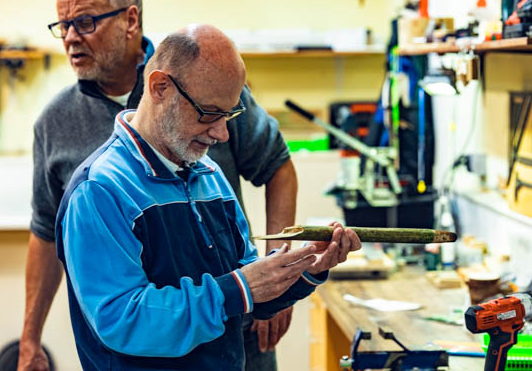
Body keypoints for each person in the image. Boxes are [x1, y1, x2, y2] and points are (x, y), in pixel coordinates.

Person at [19, 0, 300, 370]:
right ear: (159, 91)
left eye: (84, 22)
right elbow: (47, 232)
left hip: (239, 331)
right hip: (154, 349)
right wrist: (30, 339)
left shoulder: (207, 83)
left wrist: (278, 272)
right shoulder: (58, 124)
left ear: (130, 19)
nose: (70, 38)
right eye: (62, 26)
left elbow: (278, 166)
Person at [55, 25, 362, 370]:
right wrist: (236, 289)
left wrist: (304, 268)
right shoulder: (100, 190)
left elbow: (247, 291)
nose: (222, 133)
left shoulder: (209, 176)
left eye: (229, 114)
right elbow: (124, 321)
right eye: (210, 113)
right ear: (160, 88)